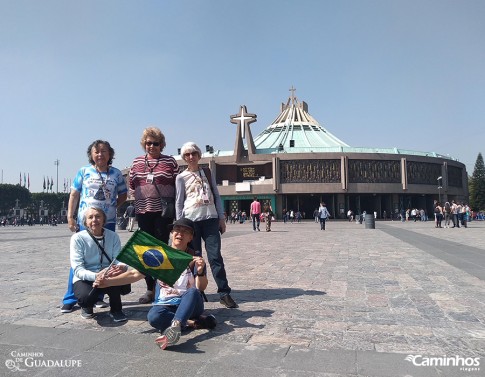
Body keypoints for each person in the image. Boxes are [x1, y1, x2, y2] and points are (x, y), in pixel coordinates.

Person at [95, 218, 216, 349]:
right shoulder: (160, 255)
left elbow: (201, 287)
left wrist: (200, 271)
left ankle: (175, 325)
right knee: (153, 316)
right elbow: (134, 274)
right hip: (166, 304)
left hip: (191, 304)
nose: (180, 233)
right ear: (171, 233)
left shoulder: (194, 257)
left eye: (185, 231)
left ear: (191, 237)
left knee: (192, 291)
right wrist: (108, 282)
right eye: (177, 230)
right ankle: (189, 323)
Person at [61, 140, 127, 313]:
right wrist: (70, 216)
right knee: (81, 259)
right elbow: (74, 194)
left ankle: (98, 295)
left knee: (105, 257)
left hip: (108, 222)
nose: (100, 154)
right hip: (86, 223)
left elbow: (123, 195)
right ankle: (70, 297)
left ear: (110, 154)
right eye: (96, 152)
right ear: (91, 155)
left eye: (104, 151)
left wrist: (111, 207)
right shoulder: (84, 171)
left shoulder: (116, 174)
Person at [175, 142, 238, 309]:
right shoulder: (181, 177)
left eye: (194, 153)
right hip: (191, 222)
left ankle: (224, 293)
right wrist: (179, 226)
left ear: (199, 155)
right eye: (187, 154)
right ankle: (197, 291)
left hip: (210, 220)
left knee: (215, 257)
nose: (191, 157)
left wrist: (221, 218)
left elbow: (216, 196)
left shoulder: (207, 172)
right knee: (195, 258)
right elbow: (179, 202)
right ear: (184, 158)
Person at [129, 127, 179, 304]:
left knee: (162, 248)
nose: (151, 146)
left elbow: (178, 185)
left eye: (155, 143)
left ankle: (163, 286)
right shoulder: (136, 162)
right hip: (143, 211)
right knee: (147, 251)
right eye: (148, 143)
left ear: (162, 144)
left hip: (163, 212)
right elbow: (131, 185)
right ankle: (150, 288)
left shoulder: (170, 162)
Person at [71, 207, 128, 322]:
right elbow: (78, 269)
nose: (94, 220)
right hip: (87, 276)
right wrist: (96, 276)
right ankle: (87, 306)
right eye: (90, 217)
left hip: (108, 273)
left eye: (98, 216)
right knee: (85, 297)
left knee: (117, 278)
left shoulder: (113, 236)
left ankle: (116, 309)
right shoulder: (78, 238)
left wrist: (122, 266)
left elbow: (118, 259)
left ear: (103, 219)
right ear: (85, 222)